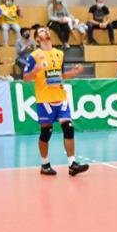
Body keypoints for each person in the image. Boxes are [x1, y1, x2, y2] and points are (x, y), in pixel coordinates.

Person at [22, 28, 89, 176]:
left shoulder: (59, 54)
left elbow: (61, 75)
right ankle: (45, 164)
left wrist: (75, 72)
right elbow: (26, 78)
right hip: (45, 100)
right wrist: (34, 71)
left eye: (46, 30)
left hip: (60, 96)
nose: (45, 31)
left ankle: (72, 164)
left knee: (69, 127)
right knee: (46, 132)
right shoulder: (34, 56)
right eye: (41, 31)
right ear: (37, 38)